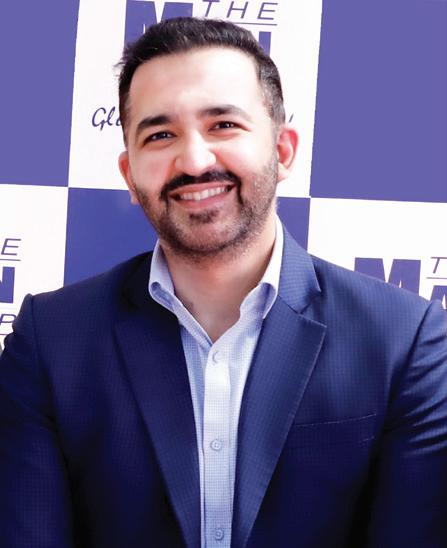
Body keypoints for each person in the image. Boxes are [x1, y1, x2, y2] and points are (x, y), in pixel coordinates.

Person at [0, 17, 446, 548]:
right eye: (160, 135)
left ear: (282, 151)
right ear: (130, 175)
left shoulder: (404, 340)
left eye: (223, 125)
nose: (193, 160)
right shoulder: (51, 340)